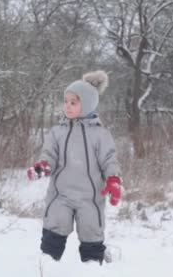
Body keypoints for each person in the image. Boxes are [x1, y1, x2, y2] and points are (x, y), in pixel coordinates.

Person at [27, 70, 122, 264]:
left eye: (73, 102)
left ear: (86, 105)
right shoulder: (57, 132)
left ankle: (93, 265)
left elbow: (109, 160)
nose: (67, 106)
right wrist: (43, 167)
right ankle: (47, 265)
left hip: (91, 198)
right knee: (54, 227)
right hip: (61, 195)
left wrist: (113, 180)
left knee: (91, 231)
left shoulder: (100, 134)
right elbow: (49, 155)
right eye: (66, 101)